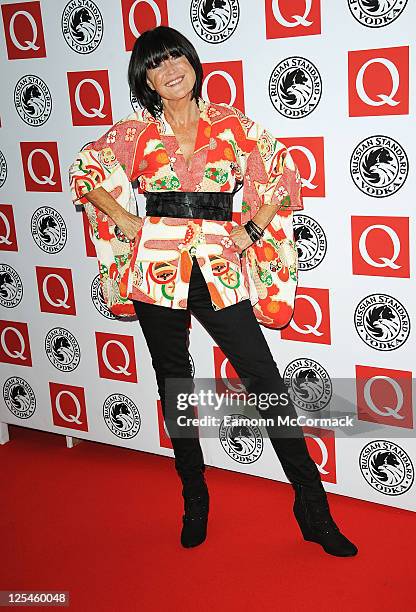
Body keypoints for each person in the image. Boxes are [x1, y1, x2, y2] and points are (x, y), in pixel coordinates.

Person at [68, 25, 358, 557]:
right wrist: (122, 217)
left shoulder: (234, 125)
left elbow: (281, 178)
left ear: (193, 62)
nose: (171, 68)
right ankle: (195, 499)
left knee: (265, 381)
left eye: (177, 55)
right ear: (147, 79)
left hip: (219, 266)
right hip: (155, 267)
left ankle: (313, 511)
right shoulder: (134, 133)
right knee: (174, 385)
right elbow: (85, 172)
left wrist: (250, 230)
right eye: (157, 63)